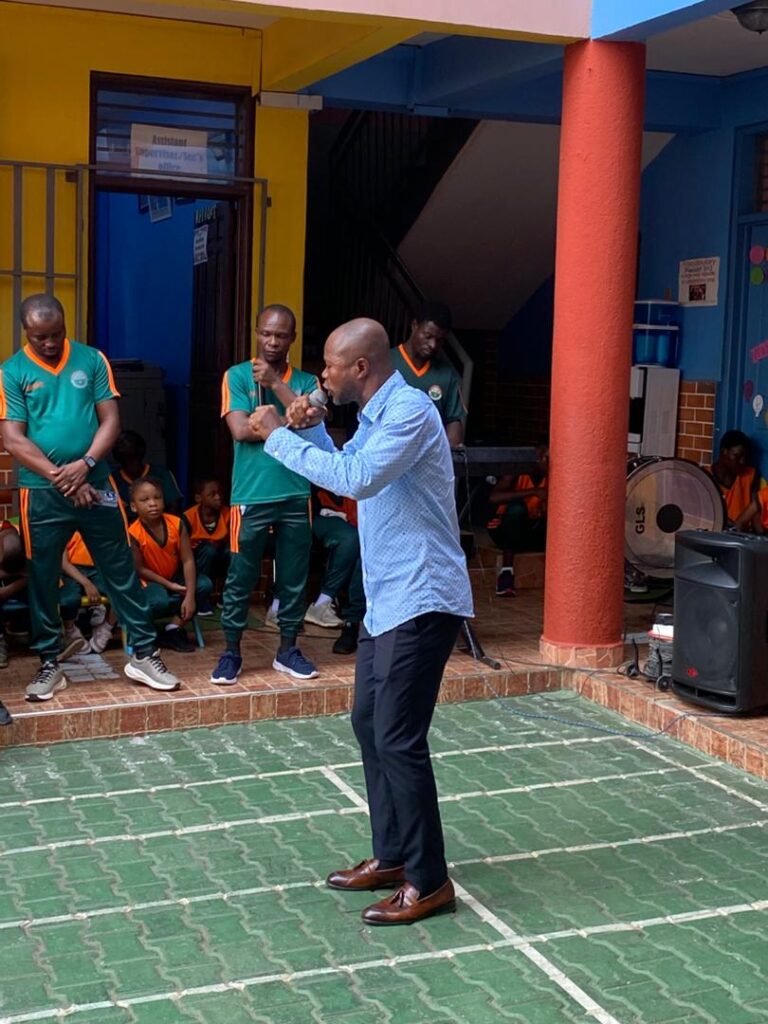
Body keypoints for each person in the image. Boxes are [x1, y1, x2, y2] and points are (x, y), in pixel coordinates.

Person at [250, 317, 473, 927]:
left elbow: (358, 480)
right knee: (370, 722)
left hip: (423, 596)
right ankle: (393, 855)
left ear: (361, 368)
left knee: (398, 736)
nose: (320, 375)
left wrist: (277, 436)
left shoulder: (410, 412)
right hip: (389, 598)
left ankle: (429, 880)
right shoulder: (377, 414)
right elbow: (347, 466)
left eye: (328, 364)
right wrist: (311, 428)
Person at [0, 294, 180, 700]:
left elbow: (111, 420)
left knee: (121, 567)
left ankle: (144, 654)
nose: (50, 343)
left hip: (96, 485)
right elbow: (13, 438)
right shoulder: (11, 371)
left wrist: (85, 465)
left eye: (57, 333)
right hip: (41, 493)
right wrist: (64, 478)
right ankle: (49, 662)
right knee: (42, 576)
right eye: (40, 337)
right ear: (26, 332)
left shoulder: (92, 360)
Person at [211, 303, 319, 684]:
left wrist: (275, 385)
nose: (272, 342)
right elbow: (240, 430)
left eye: (281, 335)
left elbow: (311, 423)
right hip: (251, 494)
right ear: (257, 333)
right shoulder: (236, 376)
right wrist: (289, 421)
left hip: (295, 491)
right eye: (266, 334)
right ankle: (231, 652)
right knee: (240, 576)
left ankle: (287, 649)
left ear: (292, 338)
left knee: (293, 576)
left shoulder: (305, 381)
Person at [129, 478, 211, 652]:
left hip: (173, 575)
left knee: (203, 585)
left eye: (157, 497)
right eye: (145, 500)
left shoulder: (176, 523)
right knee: (158, 601)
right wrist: (169, 585)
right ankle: (148, 633)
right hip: (150, 581)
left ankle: (173, 628)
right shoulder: (133, 532)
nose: (153, 503)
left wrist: (190, 596)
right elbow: (140, 569)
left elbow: (188, 560)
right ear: (134, 507)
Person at [390, 301, 466, 446]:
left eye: (440, 340)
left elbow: (454, 422)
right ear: (414, 326)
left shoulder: (447, 375)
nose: (433, 345)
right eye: (428, 336)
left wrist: (447, 452)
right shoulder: (386, 363)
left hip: (430, 455)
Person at [307, 487, 365, 655]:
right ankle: (352, 621)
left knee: (365, 544)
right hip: (318, 512)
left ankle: (353, 619)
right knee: (357, 541)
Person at [486, 442, 549, 596]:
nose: (546, 461)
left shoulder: (556, 474)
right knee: (516, 509)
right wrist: (534, 491)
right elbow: (494, 497)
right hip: (507, 530)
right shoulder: (517, 472)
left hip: (535, 531)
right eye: (544, 457)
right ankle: (507, 572)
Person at [60, 531, 116, 653]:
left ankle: (106, 627)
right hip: (71, 569)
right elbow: (64, 563)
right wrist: (87, 584)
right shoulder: (65, 525)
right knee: (67, 601)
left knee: (121, 593)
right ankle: (71, 630)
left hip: (100, 568)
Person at [113, 430, 183, 521]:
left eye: (126, 440)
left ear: (140, 447)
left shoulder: (160, 473)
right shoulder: (112, 478)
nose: (120, 443)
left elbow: (174, 506)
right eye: (117, 442)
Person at [184, 477, 230, 613]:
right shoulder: (188, 517)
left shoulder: (228, 514)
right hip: (199, 561)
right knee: (208, 550)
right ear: (199, 498)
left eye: (219, 493)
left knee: (232, 552)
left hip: (220, 557)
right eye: (212, 494)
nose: (218, 497)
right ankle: (202, 599)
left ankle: (226, 597)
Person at [709, 430, 756, 527]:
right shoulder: (705, 478)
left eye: (745, 457)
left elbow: (756, 512)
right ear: (724, 451)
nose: (742, 462)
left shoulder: (750, 476)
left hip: (742, 534)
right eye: (737, 456)